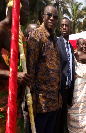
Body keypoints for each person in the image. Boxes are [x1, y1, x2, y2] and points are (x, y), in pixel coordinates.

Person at [27, 5, 61, 133]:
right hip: (41, 104)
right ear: (43, 17)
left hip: (53, 103)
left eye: (55, 16)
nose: (52, 18)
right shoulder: (36, 36)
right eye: (49, 15)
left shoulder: (54, 39)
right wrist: (32, 103)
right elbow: (31, 70)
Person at [0, 0, 30, 132]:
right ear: (17, 7)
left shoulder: (20, 34)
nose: (28, 14)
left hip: (16, 105)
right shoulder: (1, 30)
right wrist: (13, 75)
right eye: (26, 10)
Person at [54, 17, 75, 133]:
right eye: (62, 25)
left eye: (66, 25)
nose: (64, 27)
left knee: (63, 122)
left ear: (70, 28)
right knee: (57, 123)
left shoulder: (71, 47)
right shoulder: (57, 43)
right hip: (59, 90)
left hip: (67, 90)